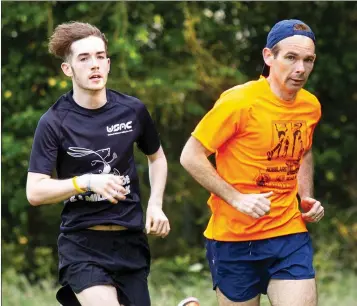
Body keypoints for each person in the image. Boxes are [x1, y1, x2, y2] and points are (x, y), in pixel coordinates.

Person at [180, 19, 324, 306]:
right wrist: (236, 198)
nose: (300, 69)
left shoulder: (310, 106)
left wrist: (305, 196)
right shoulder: (239, 102)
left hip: (288, 232)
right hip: (234, 238)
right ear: (268, 56)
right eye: (291, 58)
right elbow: (190, 155)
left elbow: (304, 150)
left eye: (308, 60)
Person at [26, 21, 170, 306]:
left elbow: (157, 158)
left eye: (100, 56)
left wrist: (155, 204)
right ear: (68, 69)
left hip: (131, 242)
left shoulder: (133, 110)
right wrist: (87, 182)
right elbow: (35, 191)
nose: (94, 65)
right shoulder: (54, 122)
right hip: (82, 244)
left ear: (108, 63)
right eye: (84, 58)